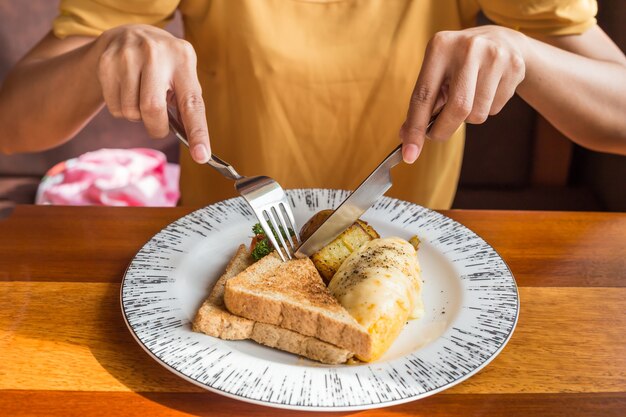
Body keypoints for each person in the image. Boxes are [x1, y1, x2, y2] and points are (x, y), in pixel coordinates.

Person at [0, 0, 624, 208]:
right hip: (210, 251)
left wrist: (525, 53)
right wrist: (102, 54)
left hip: (412, 266)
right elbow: (12, 123)